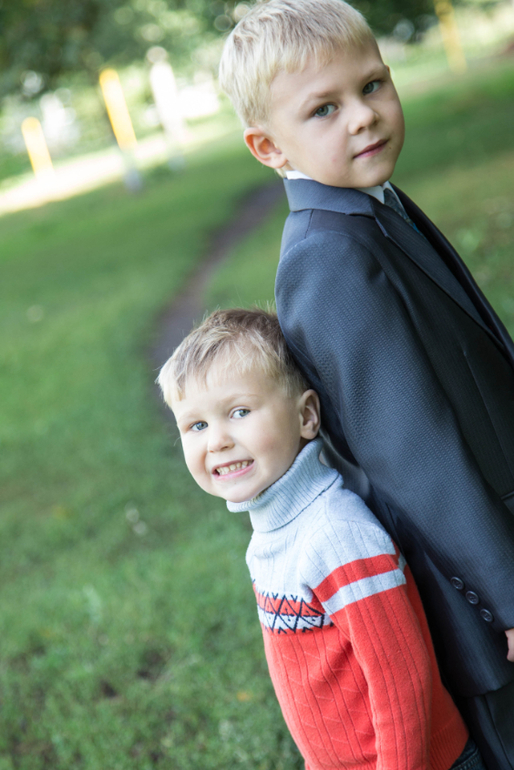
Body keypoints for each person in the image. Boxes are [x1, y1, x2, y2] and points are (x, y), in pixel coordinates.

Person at [217, 2, 514, 767]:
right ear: (268, 146)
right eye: (324, 108)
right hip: (481, 596)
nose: (364, 116)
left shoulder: (374, 207)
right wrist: (506, 591)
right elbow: (411, 455)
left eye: (373, 85)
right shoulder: (328, 261)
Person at [157, 306, 480, 770]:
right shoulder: (271, 537)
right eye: (197, 425)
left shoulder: (335, 536)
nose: (217, 441)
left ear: (307, 415)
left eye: (239, 412)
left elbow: (402, 683)